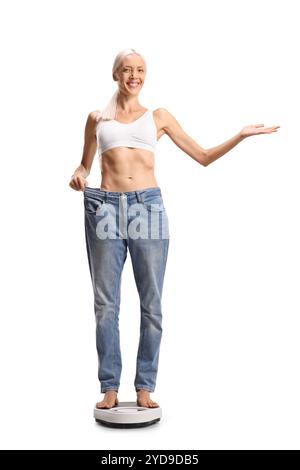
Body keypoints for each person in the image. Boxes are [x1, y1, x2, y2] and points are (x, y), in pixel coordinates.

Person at [69, 48, 280, 410]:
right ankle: (109, 387)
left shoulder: (158, 116)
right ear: (115, 74)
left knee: (152, 305)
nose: (134, 75)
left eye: (140, 70)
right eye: (127, 70)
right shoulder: (96, 118)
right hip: (104, 208)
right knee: (106, 306)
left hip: (147, 208)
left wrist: (240, 135)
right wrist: (78, 175)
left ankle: (145, 387)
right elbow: (83, 165)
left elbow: (202, 157)